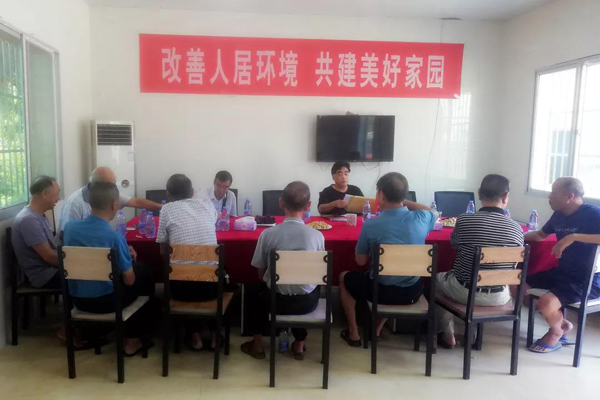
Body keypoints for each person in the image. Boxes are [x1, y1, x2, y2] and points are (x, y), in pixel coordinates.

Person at [339, 172, 436, 347]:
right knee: (393, 277)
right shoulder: (421, 219)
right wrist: (403, 201)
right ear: (404, 195)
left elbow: (360, 261)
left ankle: (353, 332)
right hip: (412, 292)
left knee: (344, 277)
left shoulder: (371, 225)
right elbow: (432, 211)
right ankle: (376, 330)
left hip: (381, 293)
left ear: (381, 195)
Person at [63, 182, 154, 356]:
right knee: (144, 272)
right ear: (115, 204)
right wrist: (126, 257)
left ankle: (91, 332)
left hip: (78, 300)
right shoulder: (114, 237)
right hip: (108, 302)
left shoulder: (70, 228)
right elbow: (129, 280)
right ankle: (133, 338)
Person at [435, 175, 524, 349]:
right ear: (505, 196)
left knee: (436, 279)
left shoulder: (465, 220)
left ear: (479, 194)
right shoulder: (517, 228)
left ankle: (447, 334)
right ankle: (471, 333)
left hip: (464, 291)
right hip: (500, 296)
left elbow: (454, 244)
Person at [241, 181, 324, 361]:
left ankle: (257, 344)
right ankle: (299, 344)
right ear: (308, 206)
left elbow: (259, 273)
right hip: (307, 303)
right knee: (309, 286)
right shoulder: (317, 236)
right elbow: (318, 275)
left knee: (253, 290)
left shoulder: (268, 234)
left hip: (275, 301)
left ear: (280, 202)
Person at [525, 177, 600, 353]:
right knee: (518, 284)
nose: (549, 196)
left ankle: (557, 331)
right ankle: (560, 321)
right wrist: (513, 234)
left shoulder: (593, 214)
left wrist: (573, 237)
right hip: (562, 272)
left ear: (569, 196)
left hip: (587, 279)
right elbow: (540, 235)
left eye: (553, 192)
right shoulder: (559, 214)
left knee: (546, 302)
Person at [156, 174, 219, 350]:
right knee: (212, 269)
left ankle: (194, 335)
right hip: (211, 287)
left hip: (181, 290)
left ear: (168, 195)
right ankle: (214, 334)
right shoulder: (207, 205)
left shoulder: (166, 209)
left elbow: (163, 252)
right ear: (191, 192)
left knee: (182, 274)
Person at [59, 166, 162, 236]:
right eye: (111, 185)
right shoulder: (75, 202)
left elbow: (136, 202)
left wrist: (162, 206)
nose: (114, 188)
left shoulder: (109, 194)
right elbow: (65, 235)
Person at [12, 176, 61, 289]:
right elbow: (49, 257)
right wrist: (73, 264)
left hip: (52, 270)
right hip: (44, 276)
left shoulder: (40, 215)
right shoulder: (29, 220)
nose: (58, 198)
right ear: (45, 194)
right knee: (86, 276)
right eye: (57, 193)